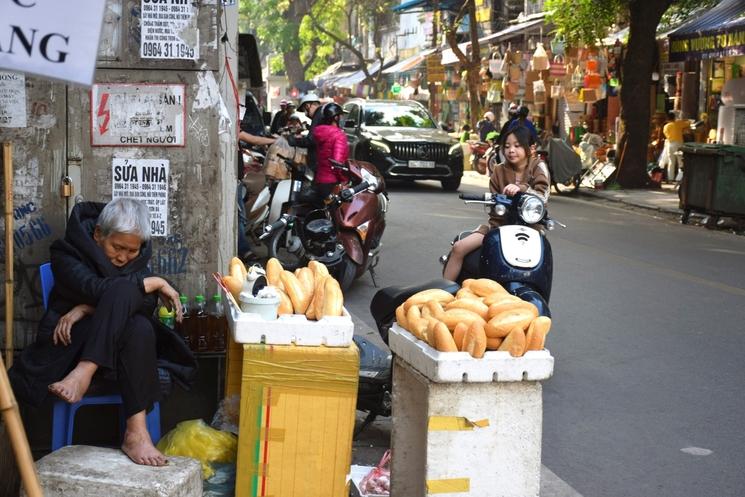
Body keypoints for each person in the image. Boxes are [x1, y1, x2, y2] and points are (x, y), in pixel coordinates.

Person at [9, 198, 184, 466]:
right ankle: (134, 429)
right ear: (98, 234)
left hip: (118, 353)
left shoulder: (133, 263)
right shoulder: (66, 254)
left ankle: (97, 386)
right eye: (117, 247)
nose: (123, 257)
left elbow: (146, 305)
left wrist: (86, 309)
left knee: (138, 324)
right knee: (132, 311)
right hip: (69, 346)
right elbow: (96, 288)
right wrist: (154, 282)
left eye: (131, 251)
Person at [443, 126, 550, 281]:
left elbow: (542, 194)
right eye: (507, 146)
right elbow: (495, 205)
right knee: (459, 248)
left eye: (517, 146)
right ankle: (444, 293)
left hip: (531, 232)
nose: (511, 150)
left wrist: (521, 189)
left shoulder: (538, 166)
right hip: (499, 229)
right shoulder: (498, 170)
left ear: (531, 148)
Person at [310, 102, 350, 200]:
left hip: (320, 180)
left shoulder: (321, 133)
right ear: (336, 118)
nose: (342, 119)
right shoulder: (339, 136)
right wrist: (345, 180)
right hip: (332, 183)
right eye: (341, 116)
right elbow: (337, 163)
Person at [658, 111, 689, 182]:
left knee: (671, 161)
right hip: (678, 144)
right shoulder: (678, 123)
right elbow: (688, 124)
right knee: (680, 160)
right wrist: (684, 120)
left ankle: (670, 178)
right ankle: (679, 178)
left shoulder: (665, 126)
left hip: (669, 144)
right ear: (674, 117)